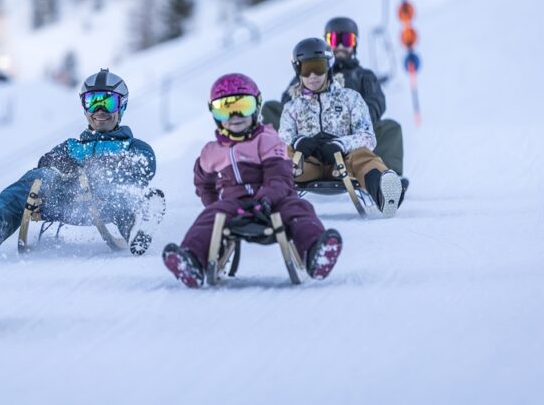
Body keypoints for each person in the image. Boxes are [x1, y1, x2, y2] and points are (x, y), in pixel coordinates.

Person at [161, 73, 343, 288]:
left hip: (274, 203)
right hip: (234, 205)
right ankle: (191, 260)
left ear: (256, 107)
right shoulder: (212, 151)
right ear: (214, 113)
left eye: (243, 106)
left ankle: (315, 252)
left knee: (299, 208)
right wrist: (214, 204)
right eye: (225, 109)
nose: (235, 115)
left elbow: (280, 176)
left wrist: (266, 199)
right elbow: (203, 181)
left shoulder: (267, 139)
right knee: (208, 218)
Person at [0, 69, 158, 257]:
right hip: (64, 202)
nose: (100, 111)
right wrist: (66, 168)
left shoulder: (133, 147)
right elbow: (46, 161)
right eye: (93, 102)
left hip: (108, 203)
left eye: (108, 102)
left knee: (121, 190)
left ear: (122, 106)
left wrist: (102, 169)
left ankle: (137, 227)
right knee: (36, 179)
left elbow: (145, 165)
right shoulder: (71, 147)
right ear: (85, 108)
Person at [279, 38, 405, 217]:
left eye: (318, 68)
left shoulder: (350, 98)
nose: (312, 76)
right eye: (306, 69)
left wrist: (341, 144)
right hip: (307, 164)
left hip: (343, 162)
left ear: (329, 66)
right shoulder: (292, 106)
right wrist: (298, 142)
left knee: (363, 155)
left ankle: (383, 190)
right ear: (298, 71)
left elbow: (368, 135)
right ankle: (269, 200)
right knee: (285, 159)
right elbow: (282, 138)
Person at [261, 16, 404, 174]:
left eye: (347, 40)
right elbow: (288, 100)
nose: (341, 46)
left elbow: (376, 102)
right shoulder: (309, 71)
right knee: (272, 109)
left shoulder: (363, 76)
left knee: (390, 128)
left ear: (355, 43)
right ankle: (271, 167)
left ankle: (387, 178)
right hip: (308, 136)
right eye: (335, 39)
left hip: (352, 135)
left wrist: (352, 120)